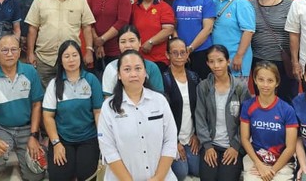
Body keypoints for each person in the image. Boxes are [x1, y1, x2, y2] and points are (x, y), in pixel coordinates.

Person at [98, 50, 178, 180]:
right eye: (127, 69)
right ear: (119, 75)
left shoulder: (160, 101)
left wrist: (158, 177)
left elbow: (170, 140)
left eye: (138, 68)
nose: (133, 74)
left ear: (145, 72)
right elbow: (108, 149)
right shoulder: (108, 107)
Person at [0, 34, 45, 181]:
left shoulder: (30, 72)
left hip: (26, 128)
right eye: (5, 50)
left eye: (14, 49)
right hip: (1, 128)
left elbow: (36, 105)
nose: (10, 54)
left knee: (35, 176)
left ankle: (25, 162)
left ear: (20, 52)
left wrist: (34, 136)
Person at [26, 0, 96, 87]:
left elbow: (87, 27)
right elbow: (33, 28)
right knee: (43, 95)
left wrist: (89, 50)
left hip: (71, 59)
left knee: (70, 94)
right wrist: (30, 53)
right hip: (44, 60)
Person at [43, 40, 102, 180]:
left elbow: (98, 112)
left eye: (75, 55)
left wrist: (102, 140)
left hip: (88, 138)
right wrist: (56, 143)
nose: (71, 60)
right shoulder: (54, 84)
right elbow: (48, 116)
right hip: (63, 138)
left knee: (87, 176)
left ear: (80, 57)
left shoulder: (91, 80)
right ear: (61, 60)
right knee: (59, 176)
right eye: (66, 56)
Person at [196, 44, 250, 181]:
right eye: (212, 61)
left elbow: (246, 121)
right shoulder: (203, 87)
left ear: (228, 61)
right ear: (207, 63)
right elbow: (200, 118)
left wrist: (236, 146)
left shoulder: (240, 88)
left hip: (232, 145)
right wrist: (207, 146)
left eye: (220, 60)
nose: (216, 65)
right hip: (211, 144)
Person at [240, 61, 298, 181]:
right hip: (256, 160)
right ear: (255, 80)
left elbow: (291, 147)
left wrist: (272, 171)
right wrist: (259, 165)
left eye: (270, 80)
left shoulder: (287, 109)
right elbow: (245, 139)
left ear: (277, 82)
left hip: (282, 162)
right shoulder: (248, 106)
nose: (265, 85)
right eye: (261, 80)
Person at [250, 0, 297, 104]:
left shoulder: (290, 5)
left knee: (287, 100)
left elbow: (297, 32)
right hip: (259, 60)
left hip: (284, 62)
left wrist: (295, 60)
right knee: (263, 100)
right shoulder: (249, 5)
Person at [163, 38, 201, 181]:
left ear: (187, 54)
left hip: (190, 136)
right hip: (173, 138)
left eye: (182, 52)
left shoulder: (194, 77)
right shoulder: (165, 79)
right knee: (181, 173)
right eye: (175, 53)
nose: (179, 56)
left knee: (197, 170)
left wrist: (196, 134)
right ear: (167, 55)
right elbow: (163, 116)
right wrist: (174, 142)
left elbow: (199, 109)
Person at [88, 0, 132, 77]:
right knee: (98, 80)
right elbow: (89, 21)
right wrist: (97, 42)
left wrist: (102, 39)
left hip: (116, 49)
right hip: (96, 49)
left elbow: (122, 21)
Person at [173, 0, 216, 79]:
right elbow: (173, 27)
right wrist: (180, 48)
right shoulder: (177, 1)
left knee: (204, 84)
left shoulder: (206, 1)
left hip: (202, 51)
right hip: (181, 53)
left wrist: (190, 48)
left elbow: (207, 29)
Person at [212, 0, 255, 79]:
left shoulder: (242, 3)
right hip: (217, 61)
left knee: (237, 90)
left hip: (235, 60)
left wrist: (239, 56)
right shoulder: (214, 1)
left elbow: (248, 32)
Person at [102, 24, 164, 96]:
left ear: (139, 42)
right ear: (118, 45)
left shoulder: (152, 67)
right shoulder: (111, 67)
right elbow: (108, 97)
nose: (128, 45)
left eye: (132, 41)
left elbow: (159, 96)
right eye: (123, 42)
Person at [131, 0, 175, 70]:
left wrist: (151, 42)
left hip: (159, 60)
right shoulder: (133, 7)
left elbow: (168, 30)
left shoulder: (164, 7)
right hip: (136, 59)